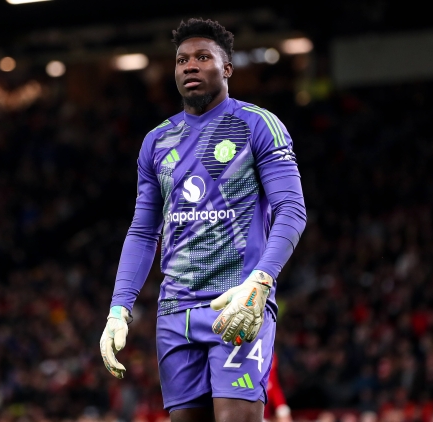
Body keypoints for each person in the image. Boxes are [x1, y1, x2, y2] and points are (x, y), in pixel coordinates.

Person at [99, 18, 307, 422]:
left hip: (238, 302)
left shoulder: (258, 125)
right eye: (182, 60)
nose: (190, 66)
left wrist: (261, 282)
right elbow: (143, 231)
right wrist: (118, 309)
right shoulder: (156, 142)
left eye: (202, 57)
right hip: (175, 313)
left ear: (227, 68)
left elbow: (292, 210)